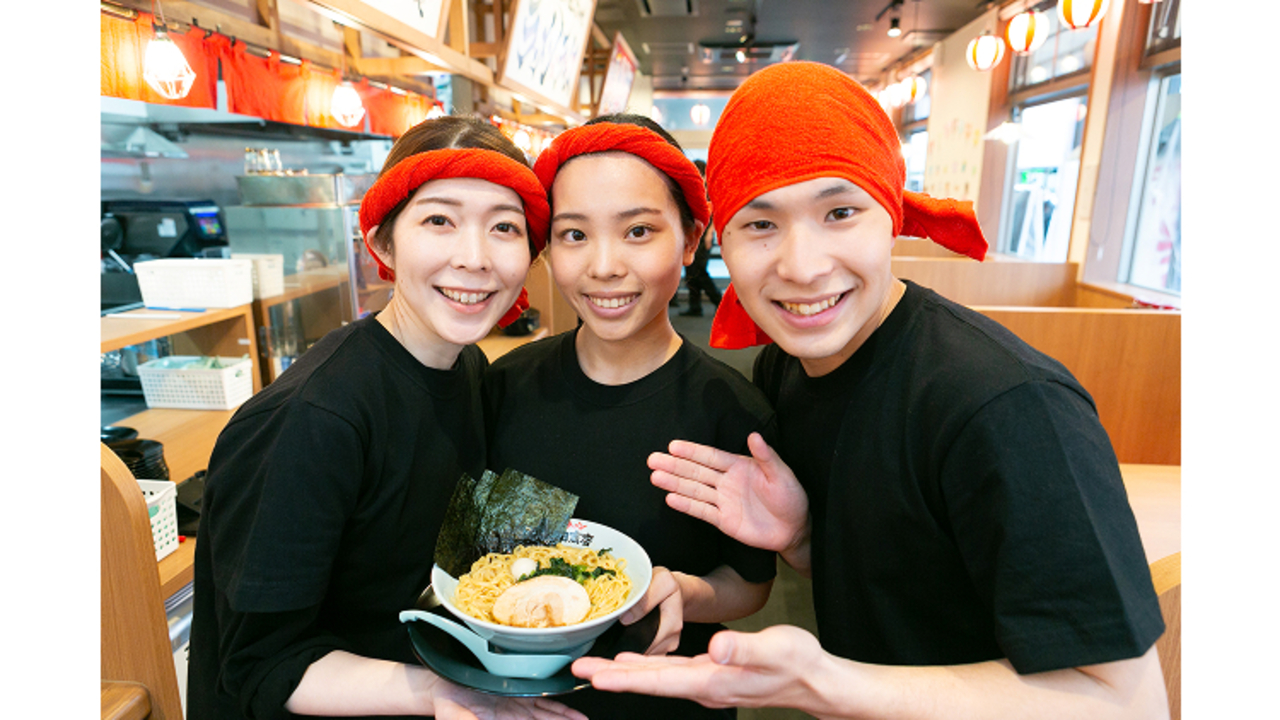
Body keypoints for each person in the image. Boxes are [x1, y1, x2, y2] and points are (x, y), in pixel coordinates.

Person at [572, 62, 1170, 719]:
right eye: (760, 223)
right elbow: (891, 584)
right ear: (722, 241)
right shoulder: (784, 370)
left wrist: (827, 685)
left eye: (840, 212)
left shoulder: (1007, 408)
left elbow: (1128, 703)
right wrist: (802, 538)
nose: (803, 266)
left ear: (890, 213)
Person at [187, 116, 587, 720]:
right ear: (381, 242)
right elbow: (261, 666)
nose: (474, 258)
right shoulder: (311, 418)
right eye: (439, 220)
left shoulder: (467, 367)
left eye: (504, 226)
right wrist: (440, 691)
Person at [483, 114, 779, 719]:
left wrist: (684, 592)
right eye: (574, 234)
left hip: (672, 700)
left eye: (638, 231)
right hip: (520, 700)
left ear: (691, 239)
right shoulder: (504, 387)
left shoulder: (732, 410)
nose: (604, 266)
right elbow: (478, 555)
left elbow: (752, 583)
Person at [679, 159, 723, 316]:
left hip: (704, 236)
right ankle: (695, 307)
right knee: (691, 271)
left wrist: (710, 233)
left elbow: (716, 214)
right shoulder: (693, 190)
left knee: (700, 272)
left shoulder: (711, 191)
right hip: (692, 234)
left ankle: (719, 302)